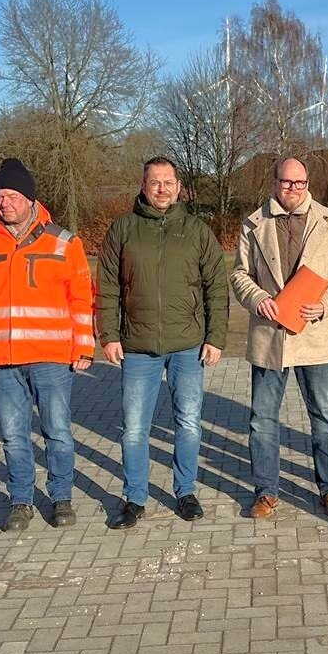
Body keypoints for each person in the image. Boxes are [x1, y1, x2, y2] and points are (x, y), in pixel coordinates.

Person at [0, 158, 95, 532]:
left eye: (13, 196)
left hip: (51, 357)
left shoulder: (64, 242)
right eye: (0, 196)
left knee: (58, 433)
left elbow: (82, 298)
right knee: (14, 436)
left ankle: (61, 498)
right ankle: (20, 500)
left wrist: (84, 346)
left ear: (31, 199)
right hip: (0, 359)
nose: (5, 203)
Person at [97, 157, 228, 529]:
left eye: (168, 182)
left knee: (189, 423)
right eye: (155, 182)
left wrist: (215, 337)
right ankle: (135, 498)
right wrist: (109, 334)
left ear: (179, 187)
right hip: (138, 346)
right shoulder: (123, 228)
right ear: (143, 186)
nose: (162, 189)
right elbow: (107, 286)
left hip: (188, 344)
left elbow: (216, 287)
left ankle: (185, 491)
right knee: (134, 428)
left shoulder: (197, 230)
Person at [229, 157, 328, 519]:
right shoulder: (253, 223)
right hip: (270, 337)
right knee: (262, 420)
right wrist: (257, 298)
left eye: (300, 183)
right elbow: (239, 274)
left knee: (325, 419)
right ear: (274, 183)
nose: (293, 189)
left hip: (316, 337)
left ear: (307, 184)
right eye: (287, 182)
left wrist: (325, 305)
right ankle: (266, 491)